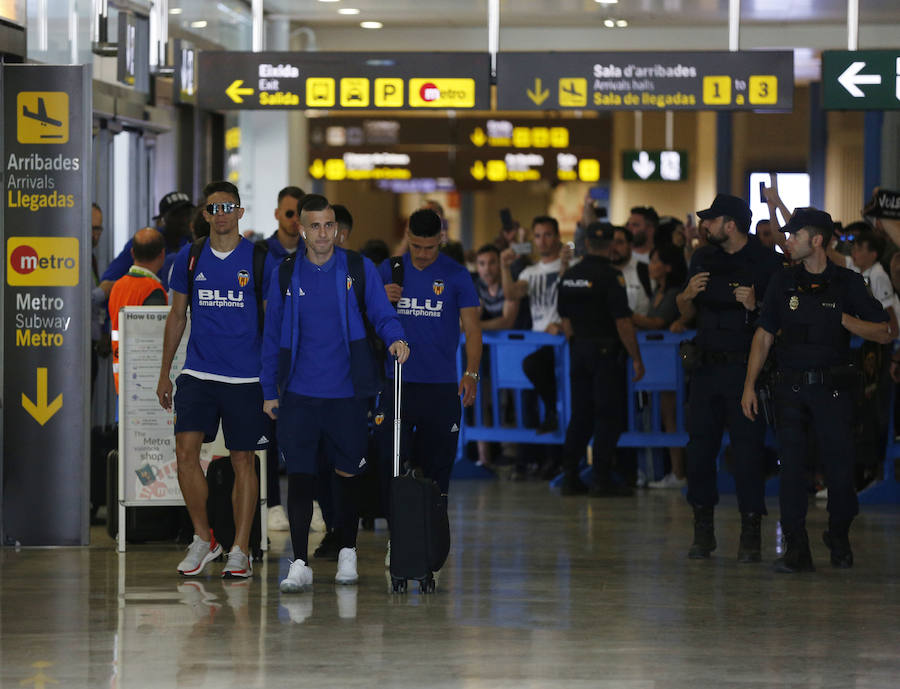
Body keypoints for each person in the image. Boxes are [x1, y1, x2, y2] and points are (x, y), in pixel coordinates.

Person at [261, 194, 409, 593]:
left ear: (336, 229)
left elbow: (382, 312)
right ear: (302, 230)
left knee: (349, 473)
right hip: (298, 395)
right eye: (316, 226)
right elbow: (271, 335)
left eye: (330, 225)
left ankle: (348, 550)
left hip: (347, 393)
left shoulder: (358, 268)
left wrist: (395, 338)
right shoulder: (284, 273)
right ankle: (298, 562)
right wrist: (267, 390)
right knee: (302, 479)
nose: (324, 233)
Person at [741, 207, 893, 572]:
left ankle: (838, 535)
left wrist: (842, 319)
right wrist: (748, 386)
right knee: (791, 471)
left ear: (818, 241)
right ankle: (797, 549)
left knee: (839, 471)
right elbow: (763, 335)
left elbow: (886, 331)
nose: (788, 241)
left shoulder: (847, 283)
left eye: (795, 235)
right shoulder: (783, 282)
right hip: (790, 389)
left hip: (832, 392)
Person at [156, 181, 269, 579]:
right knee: (185, 455)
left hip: (245, 378)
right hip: (197, 373)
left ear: (240, 212)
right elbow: (177, 316)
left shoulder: (260, 260)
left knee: (243, 460)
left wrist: (271, 382)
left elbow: (272, 325)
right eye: (213, 208)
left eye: (228, 206)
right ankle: (205, 539)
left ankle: (241, 550)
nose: (221, 214)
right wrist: (165, 372)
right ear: (204, 215)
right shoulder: (189, 257)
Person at [675, 193, 782, 562]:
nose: (705, 226)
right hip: (705, 369)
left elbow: (778, 322)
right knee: (699, 450)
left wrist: (756, 307)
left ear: (730, 224)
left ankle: (751, 530)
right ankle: (702, 528)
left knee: (748, 453)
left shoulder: (766, 263)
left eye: (711, 220)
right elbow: (685, 313)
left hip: (744, 371)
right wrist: (685, 296)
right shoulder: (702, 257)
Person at [377, 208, 482, 563]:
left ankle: (434, 542)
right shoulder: (389, 271)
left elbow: (473, 330)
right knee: (393, 464)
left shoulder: (456, 275)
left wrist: (471, 373)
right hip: (399, 384)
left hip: (440, 388)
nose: (422, 254)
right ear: (408, 236)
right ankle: (399, 539)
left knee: (439, 469)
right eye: (416, 246)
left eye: (429, 247)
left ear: (442, 238)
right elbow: (364, 321)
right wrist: (381, 299)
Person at [557, 222, 645, 497]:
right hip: (606, 354)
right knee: (609, 416)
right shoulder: (611, 276)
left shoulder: (569, 275)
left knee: (581, 415)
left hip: (579, 351)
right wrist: (636, 358)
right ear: (609, 245)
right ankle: (601, 478)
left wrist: (575, 344)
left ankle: (570, 475)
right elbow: (623, 322)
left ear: (585, 244)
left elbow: (565, 318)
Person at [257, 186, 307, 534]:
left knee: (309, 435)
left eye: (299, 215)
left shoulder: (316, 252)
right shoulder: (261, 254)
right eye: (288, 214)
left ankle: (312, 502)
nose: (294, 221)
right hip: (272, 357)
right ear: (277, 214)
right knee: (270, 434)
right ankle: (273, 502)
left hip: (308, 359)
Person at [500, 216, 572, 434]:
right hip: (538, 342)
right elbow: (512, 293)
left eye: (548, 235)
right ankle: (552, 416)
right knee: (530, 389)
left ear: (558, 237)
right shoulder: (530, 273)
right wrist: (504, 267)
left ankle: (554, 414)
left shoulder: (570, 266)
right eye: (538, 236)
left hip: (563, 341)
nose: (542, 241)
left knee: (535, 368)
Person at [635, 243, 689, 489]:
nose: (651, 265)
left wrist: (624, 316)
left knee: (672, 416)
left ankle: (678, 472)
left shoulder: (674, 293)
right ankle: (673, 470)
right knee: (666, 416)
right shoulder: (657, 291)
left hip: (672, 364)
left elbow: (657, 322)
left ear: (667, 267)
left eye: (656, 260)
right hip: (659, 364)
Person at [110, 228, 168, 394]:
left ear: (132, 252)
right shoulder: (153, 289)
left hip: (120, 374)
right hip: (144, 379)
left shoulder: (117, 286)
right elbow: (155, 339)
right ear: (162, 255)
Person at [101, 191, 193, 295]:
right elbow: (107, 283)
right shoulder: (146, 241)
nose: (184, 219)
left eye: (187, 214)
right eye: (177, 215)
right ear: (163, 219)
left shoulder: (192, 244)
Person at [90, 203, 111, 396]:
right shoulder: (68, 258)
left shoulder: (92, 258)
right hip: (76, 344)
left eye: (99, 228)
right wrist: (102, 292)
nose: (96, 234)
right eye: (92, 228)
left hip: (92, 345)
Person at [475, 244, 519, 330]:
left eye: (492, 262)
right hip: (495, 341)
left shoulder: (510, 283)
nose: (487, 269)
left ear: (500, 264)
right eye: (482, 264)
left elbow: (507, 322)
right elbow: (475, 313)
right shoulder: (479, 285)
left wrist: (473, 326)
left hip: (521, 340)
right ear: (477, 267)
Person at [610, 226, 652, 317]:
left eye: (619, 242)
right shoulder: (601, 271)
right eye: (610, 242)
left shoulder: (644, 270)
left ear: (630, 245)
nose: (613, 247)